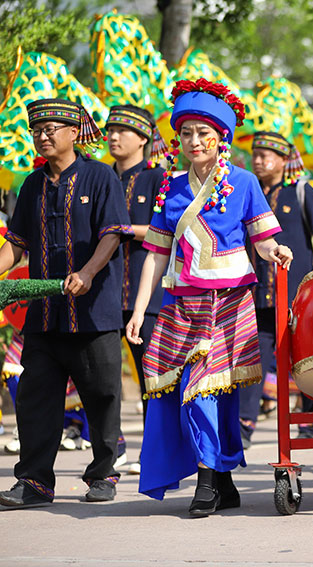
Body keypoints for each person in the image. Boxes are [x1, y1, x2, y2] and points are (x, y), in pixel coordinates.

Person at [126, 79, 292, 517]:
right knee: (186, 392)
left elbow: (262, 240)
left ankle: (206, 483)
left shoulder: (244, 182)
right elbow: (156, 255)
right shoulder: (170, 187)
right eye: (186, 134)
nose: (194, 141)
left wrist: (277, 251)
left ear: (221, 138)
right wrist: (140, 309)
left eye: (204, 133)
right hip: (181, 305)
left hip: (228, 302)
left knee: (204, 390)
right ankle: (222, 476)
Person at [0, 98, 133, 507]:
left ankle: (104, 474)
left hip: (93, 313)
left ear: (74, 132)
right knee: (35, 398)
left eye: (51, 128)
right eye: (37, 130)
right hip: (43, 314)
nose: (43, 136)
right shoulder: (31, 185)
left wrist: (89, 272)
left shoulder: (100, 177)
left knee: (102, 395)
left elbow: (112, 234)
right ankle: (35, 481)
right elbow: (16, 245)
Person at [240, 131, 313, 445]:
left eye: (267, 154)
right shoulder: (244, 191)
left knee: (306, 354)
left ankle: (311, 420)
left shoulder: (301, 191)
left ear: (284, 160)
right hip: (256, 292)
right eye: (255, 153)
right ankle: (244, 426)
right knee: (253, 356)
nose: (259, 159)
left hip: (296, 292)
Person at [105, 104, 168, 474]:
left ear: (143, 138)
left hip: (148, 296)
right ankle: (114, 447)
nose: (113, 137)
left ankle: (154, 451)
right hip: (104, 292)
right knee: (103, 375)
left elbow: (169, 231)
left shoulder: (159, 179)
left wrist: (125, 230)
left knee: (151, 377)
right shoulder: (100, 177)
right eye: (110, 130)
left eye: (123, 131)